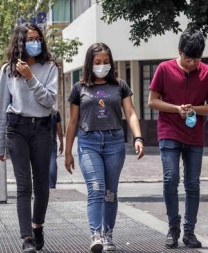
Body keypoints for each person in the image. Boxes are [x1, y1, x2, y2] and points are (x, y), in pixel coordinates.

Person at [64, 42, 145, 253]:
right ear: (90, 64)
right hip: (88, 142)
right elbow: (72, 122)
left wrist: (138, 137)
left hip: (114, 143)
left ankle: (108, 234)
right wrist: (67, 152)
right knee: (96, 189)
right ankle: (96, 235)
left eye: (106, 62)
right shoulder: (79, 88)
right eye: (98, 62)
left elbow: (131, 113)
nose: (102, 65)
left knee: (110, 192)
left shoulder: (120, 86)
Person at [148, 28, 208, 249]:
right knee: (170, 179)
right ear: (179, 51)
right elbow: (152, 101)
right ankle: (173, 227)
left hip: (194, 134)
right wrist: (176, 109)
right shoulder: (164, 69)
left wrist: (193, 109)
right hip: (169, 131)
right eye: (188, 58)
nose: (192, 63)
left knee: (193, 184)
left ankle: (189, 231)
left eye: (197, 58)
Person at [0, 23, 58, 253]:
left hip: (43, 128)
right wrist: (1, 145)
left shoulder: (50, 67)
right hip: (17, 129)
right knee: (24, 186)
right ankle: (26, 238)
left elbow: (49, 101)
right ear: (20, 42)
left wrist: (30, 77)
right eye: (29, 39)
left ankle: (37, 226)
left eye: (38, 38)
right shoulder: (7, 70)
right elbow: (3, 108)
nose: (35, 43)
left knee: (42, 186)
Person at [49, 110, 63, 189]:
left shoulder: (41, 111)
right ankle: (52, 185)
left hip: (40, 141)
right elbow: (59, 129)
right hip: (52, 141)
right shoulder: (55, 113)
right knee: (53, 161)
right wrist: (61, 143)